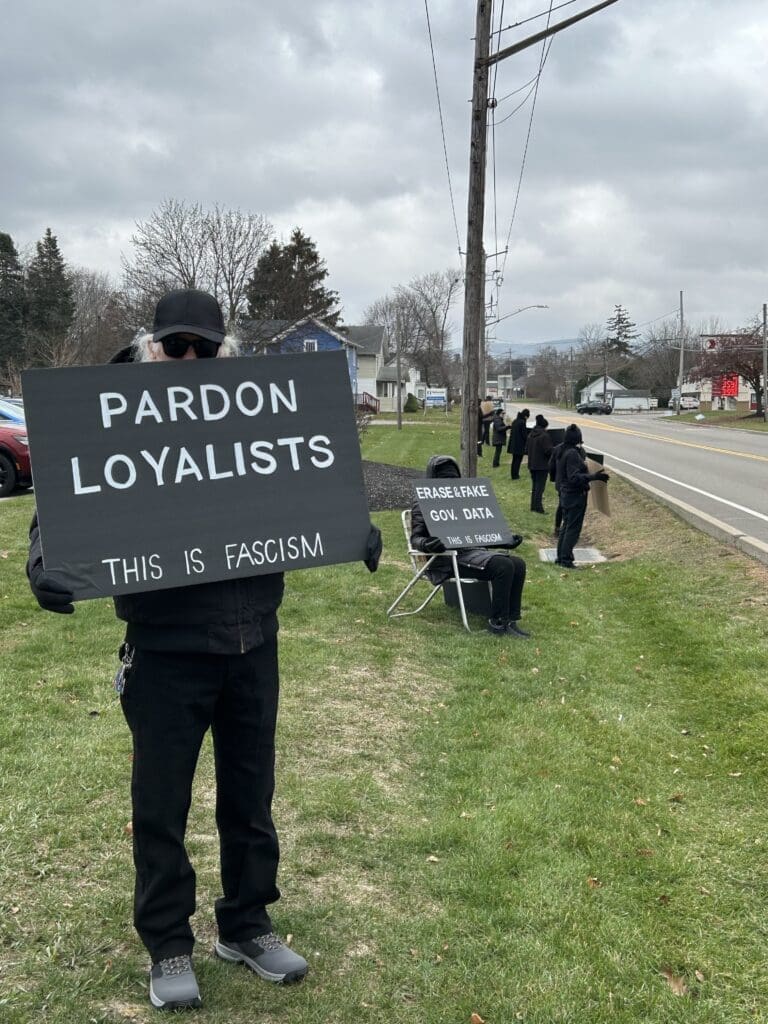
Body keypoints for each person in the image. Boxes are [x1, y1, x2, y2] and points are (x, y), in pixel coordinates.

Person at [26, 288, 383, 1011]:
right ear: (151, 347)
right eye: (177, 346)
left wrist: (352, 525)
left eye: (206, 347)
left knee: (251, 797)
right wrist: (45, 561)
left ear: (227, 351)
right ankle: (167, 942)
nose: (191, 358)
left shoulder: (258, 410)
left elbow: (306, 479)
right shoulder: (106, 415)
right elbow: (65, 501)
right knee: (161, 804)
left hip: (253, 641)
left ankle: (247, 925)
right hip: (166, 649)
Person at [410, 455, 529, 637]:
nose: (449, 485)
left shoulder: (462, 499)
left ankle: (511, 620)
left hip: (470, 552)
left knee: (518, 564)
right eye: (444, 481)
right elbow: (416, 539)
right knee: (503, 566)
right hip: (445, 559)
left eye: (453, 480)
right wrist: (427, 544)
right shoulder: (423, 502)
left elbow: (477, 533)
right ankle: (497, 622)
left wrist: (504, 541)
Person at [553, 423, 609, 569]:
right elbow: (574, 477)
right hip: (574, 495)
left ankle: (561, 557)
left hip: (566, 494)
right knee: (572, 529)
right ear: (577, 439)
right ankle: (566, 559)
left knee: (566, 526)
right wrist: (593, 476)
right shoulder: (572, 454)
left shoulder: (562, 450)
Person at [526, 414, 553, 513]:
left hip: (532, 464)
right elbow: (548, 451)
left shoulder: (531, 434)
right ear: (544, 426)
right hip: (542, 465)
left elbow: (526, 449)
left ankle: (533, 506)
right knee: (540, 487)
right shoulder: (544, 436)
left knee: (534, 486)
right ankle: (538, 507)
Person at [508, 408, 530, 480]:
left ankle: (513, 474)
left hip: (513, 444)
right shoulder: (522, 422)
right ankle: (516, 475)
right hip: (519, 445)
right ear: (525, 416)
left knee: (514, 460)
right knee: (518, 461)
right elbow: (524, 435)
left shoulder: (515, 421)